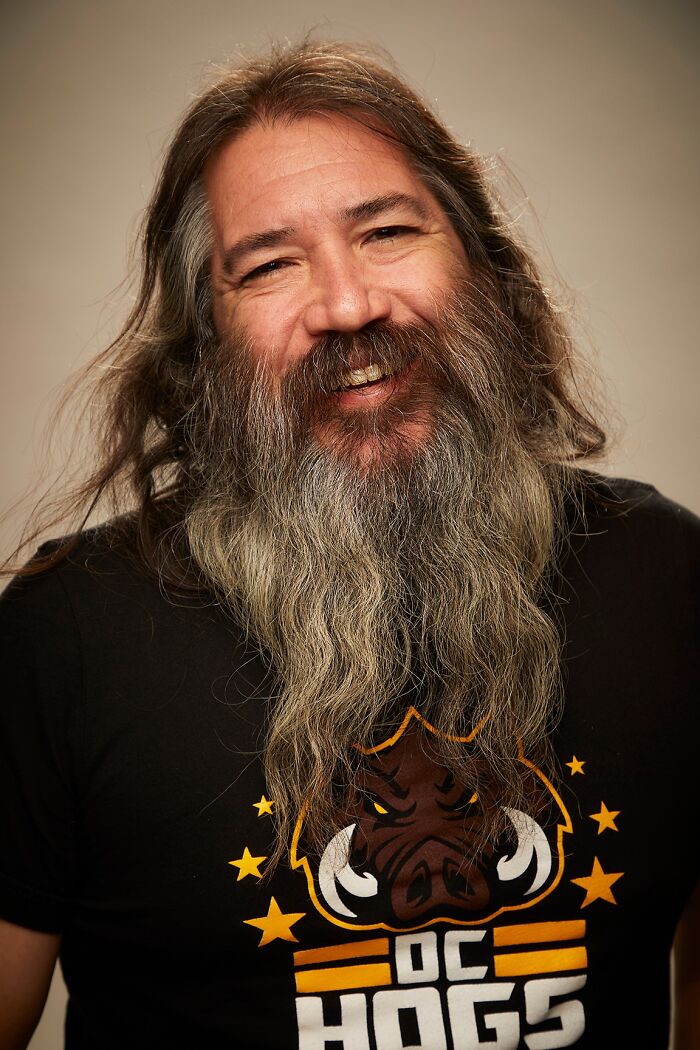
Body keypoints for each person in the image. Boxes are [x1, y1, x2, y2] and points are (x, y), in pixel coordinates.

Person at [0, 39, 697, 1050]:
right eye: (268, 266)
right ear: (205, 342)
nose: (347, 304)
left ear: (488, 268)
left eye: (387, 231)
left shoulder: (672, 580)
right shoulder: (64, 637)